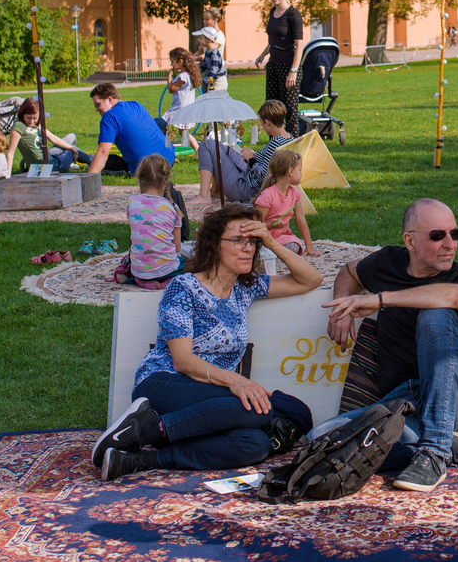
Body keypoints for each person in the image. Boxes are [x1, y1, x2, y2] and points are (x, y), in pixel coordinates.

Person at [93, 204, 324, 481]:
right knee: (254, 411)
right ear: (215, 245)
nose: (248, 248)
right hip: (164, 383)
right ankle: (145, 429)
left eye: (252, 241)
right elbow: (183, 360)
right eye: (238, 240)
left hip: (209, 397)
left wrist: (271, 240)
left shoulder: (246, 288)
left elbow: (311, 280)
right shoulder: (183, 287)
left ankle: (140, 458)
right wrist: (236, 381)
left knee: (258, 441)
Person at [318, 199, 458, 492]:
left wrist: (382, 298)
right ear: (409, 241)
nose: (450, 244)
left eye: (454, 234)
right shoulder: (388, 263)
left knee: (435, 314)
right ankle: (456, 448)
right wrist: (341, 311)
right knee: (320, 439)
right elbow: (350, 271)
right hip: (407, 403)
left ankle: (434, 453)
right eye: (437, 235)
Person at [191, 100, 293, 205]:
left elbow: (264, 175)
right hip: (249, 185)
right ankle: (215, 191)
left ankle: (204, 195)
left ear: (267, 122)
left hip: (246, 189)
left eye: (262, 123)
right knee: (218, 146)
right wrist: (255, 155)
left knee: (206, 145)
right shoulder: (289, 138)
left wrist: (251, 160)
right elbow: (270, 165)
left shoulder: (275, 143)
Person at [116, 154, 189, 290]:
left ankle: (141, 280)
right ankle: (170, 280)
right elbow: (177, 247)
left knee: (134, 261)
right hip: (168, 268)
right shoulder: (172, 208)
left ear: (140, 177)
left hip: (141, 270)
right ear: (166, 179)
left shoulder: (132, 202)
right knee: (185, 264)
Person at [85, 83, 176, 175]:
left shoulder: (109, 117)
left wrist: (88, 179)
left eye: (98, 104)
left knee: (103, 161)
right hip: (169, 159)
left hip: (148, 168)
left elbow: (103, 153)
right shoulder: (135, 105)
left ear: (109, 99)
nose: (96, 109)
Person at [253, 0, 304, 137]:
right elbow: (273, 41)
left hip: (288, 67)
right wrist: (263, 55)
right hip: (273, 66)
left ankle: (293, 149)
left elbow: (299, 45)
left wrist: (293, 71)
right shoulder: (272, 13)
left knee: (289, 112)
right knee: (271, 111)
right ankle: (274, 148)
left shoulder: (293, 15)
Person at [255, 150, 318, 255]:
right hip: (264, 237)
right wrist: (272, 225)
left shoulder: (296, 194)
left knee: (294, 245)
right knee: (285, 248)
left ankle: (273, 251)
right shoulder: (268, 195)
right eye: (300, 170)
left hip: (282, 237)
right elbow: (257, 225)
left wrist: (309, 246)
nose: (301, 173)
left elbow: (300, 219)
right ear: (291, 171)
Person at [6, 98, 85, 173]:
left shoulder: (36, 125)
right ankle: (91, 160)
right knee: (71, 150)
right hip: (53, 166)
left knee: (72, 137)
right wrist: (7, 177)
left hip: (48, 156)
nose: (31, 121)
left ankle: (89, 159)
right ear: (22, 114)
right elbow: (10, 153)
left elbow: (54, 139)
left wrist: (71, 148)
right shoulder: (19, 127)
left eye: (35, 118)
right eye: (28, 118)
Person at [155, 47, 201, 148]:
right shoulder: (189, 75)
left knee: (161, 124)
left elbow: (172, 89)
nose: (171, 64)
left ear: (180, 61)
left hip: (178, 108)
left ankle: (163, 147)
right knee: (183, 132)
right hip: (186, 107)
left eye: (172, 62)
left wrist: (169, 75)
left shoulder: (183, 76)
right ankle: (197, 150)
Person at [197, 9, 229, 92]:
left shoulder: (218, 36)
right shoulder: (207, 43)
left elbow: (212, 50)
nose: (204, 22)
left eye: (207, 20)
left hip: (217, 73)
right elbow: (201, 53)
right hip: (209, 72)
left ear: (215, 20)